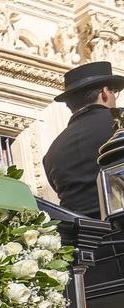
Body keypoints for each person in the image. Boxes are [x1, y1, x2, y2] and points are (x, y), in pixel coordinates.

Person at [43, 61, 124, 217]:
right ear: (105, 92)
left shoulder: (52, 152)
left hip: (83, 238)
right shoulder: (120, 120)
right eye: (114, 92)